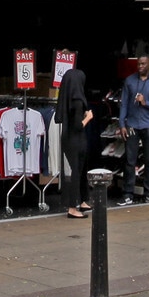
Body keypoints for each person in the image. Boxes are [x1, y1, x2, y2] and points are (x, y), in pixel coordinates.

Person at [119, 55, 149, 205]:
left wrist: (147, 103)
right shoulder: (129, 81)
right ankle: (128, 193)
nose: (140, 66)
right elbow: (124, 103)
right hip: (132, 124)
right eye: (138, 64)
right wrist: (122, 124)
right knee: (130, 160)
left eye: (143, 64)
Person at [57, 60, 93, 218]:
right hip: (76, 139)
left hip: (68, 138)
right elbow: (78, 125)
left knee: (81, 169)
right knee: (77, 171)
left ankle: (83, 200)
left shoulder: (67, 98)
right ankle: (72, 207)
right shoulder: (78, 100)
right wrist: (88, 117)